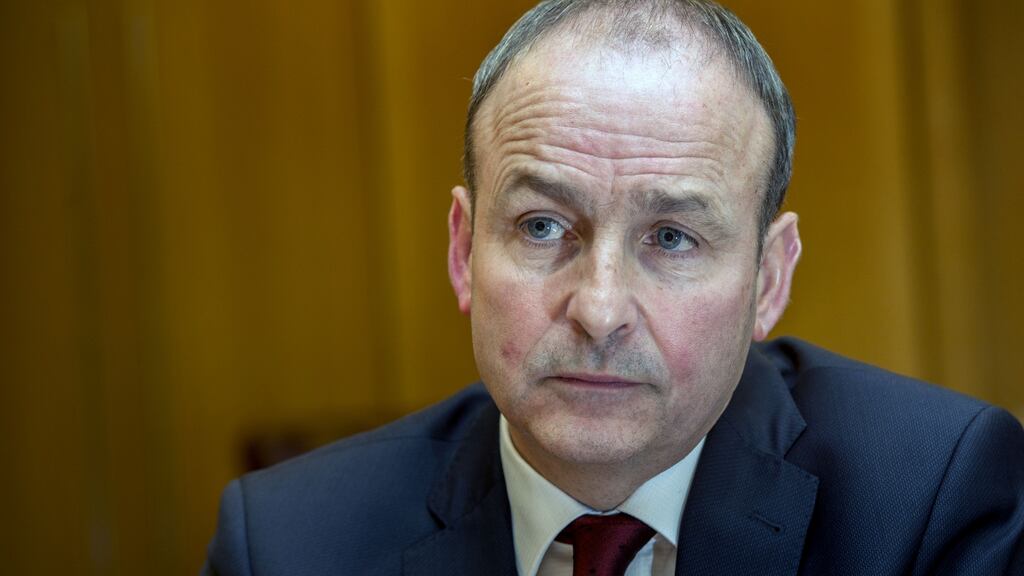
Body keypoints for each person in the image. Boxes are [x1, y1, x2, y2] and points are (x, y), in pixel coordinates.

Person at [202, 1, 1024, 574]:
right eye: (542, 227)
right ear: (461, 250)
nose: (598, 311)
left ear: (770, 278)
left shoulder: (929, 505)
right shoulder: (287, 544)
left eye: (671, 238)